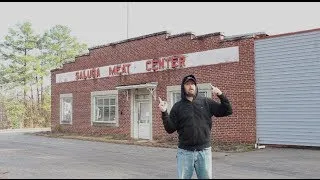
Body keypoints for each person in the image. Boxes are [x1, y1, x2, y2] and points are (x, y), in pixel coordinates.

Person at [158, 74, 232, 179]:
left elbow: (227, 111)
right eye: (187, 84)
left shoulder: (206, 102)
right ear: (183, 87)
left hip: (204, 152)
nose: (191, 86)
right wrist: (164, 112)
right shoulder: (178, 107)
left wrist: (220, 95)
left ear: (196, 86)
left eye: (193, 84)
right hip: (185, 153)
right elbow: (170, 129)